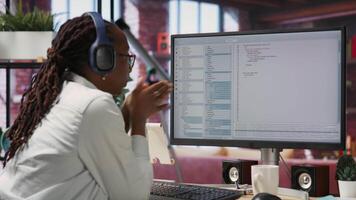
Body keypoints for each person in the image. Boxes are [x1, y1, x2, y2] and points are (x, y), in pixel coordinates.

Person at [0, 12, 172, 200]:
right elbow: (134, 196)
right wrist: (139, 119)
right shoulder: (93, 104)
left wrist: (128, 111)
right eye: (126, 58)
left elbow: (93, 144)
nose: (129, 69)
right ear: (102, 59)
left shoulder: (61, 94)